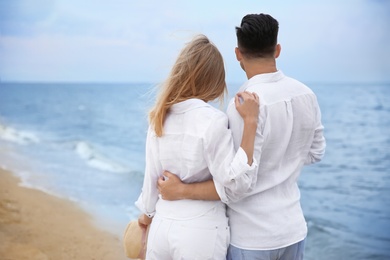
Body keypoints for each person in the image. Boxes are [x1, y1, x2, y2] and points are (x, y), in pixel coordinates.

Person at [157, 14, 326, 260]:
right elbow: (316, 152)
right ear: (277, 50)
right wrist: (283, 160)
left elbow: (233, 184)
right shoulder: (306, 95)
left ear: (238, 54)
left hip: (251, 236)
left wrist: (181, 190)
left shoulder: (242, 105)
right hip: (293, 230)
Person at [135, 34, 260, 259]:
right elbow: (234, 185)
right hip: (200, 229)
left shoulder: (159, 116)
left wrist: (145, 219)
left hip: (162, 225)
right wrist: (251, 124)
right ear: (213, 79)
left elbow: (151, 180)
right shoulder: (212, 120)